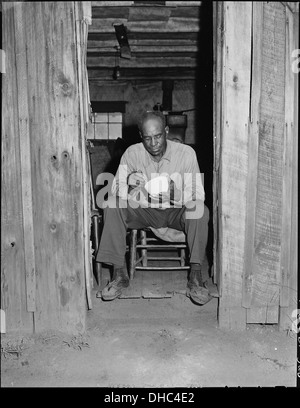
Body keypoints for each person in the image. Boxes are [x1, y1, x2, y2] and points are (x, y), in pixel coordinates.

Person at [96, 110, 211, 305]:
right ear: (141, 136)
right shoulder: (132, 153)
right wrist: (128, 184)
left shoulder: (185, 154)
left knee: (200, 210)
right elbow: (113, 190)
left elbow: (199, 195)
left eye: (158, 136)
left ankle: (196, 276)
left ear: (166, 131)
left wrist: (176, 195)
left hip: (175, 211)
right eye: (147, 138)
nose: (153, 143)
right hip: (144, 212)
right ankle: (119, 273)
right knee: (111, 204)